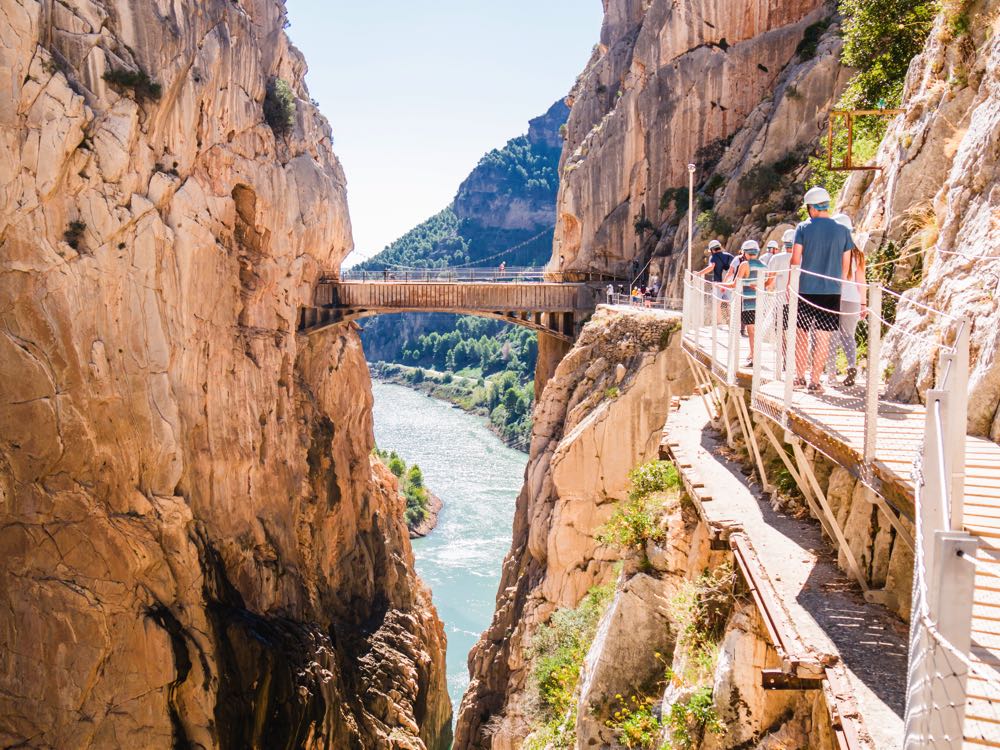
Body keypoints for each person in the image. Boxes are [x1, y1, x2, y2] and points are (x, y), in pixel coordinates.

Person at [791, 186, 855, 392]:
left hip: (806, 289)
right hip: (832, 292)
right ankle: (815, 381)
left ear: (811, 208)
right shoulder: (843, 231)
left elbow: (795, 260)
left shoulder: (803, 228)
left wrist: (791, 286)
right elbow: (846, 266)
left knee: (801, 334)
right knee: (823, 337)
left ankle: (799, 378)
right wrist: (836, 281)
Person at [826, 214, 867, 387]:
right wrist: (863, 304)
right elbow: (861, 282)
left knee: (831, 335)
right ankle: (851, 366)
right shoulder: (858, 254)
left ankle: (831, 374)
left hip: (834, 297)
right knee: (848, 335)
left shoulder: (830, 252)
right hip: (853, 299)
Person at [727, 240, 767, 366]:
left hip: (748, 303)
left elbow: (735, 284)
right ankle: (753, 354)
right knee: (756, 330)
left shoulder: (744, 264)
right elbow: (768, 284)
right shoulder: (764, 265)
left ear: (745, 252)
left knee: (751, 331)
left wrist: (719, 285)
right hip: (761, 302)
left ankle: (754, 359)